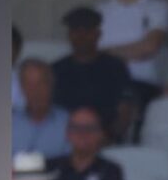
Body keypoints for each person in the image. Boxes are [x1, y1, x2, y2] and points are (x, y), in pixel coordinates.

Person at [96, 0, 168, 129]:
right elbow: (89, 51)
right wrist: (130, 51)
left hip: (141, 82)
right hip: (102, 81)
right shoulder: (99, 10)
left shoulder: (158, 7)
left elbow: (150, 47)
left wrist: (107, 53)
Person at [51, 7, 132, 139]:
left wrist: (109, 138)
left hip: (103, 139)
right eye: (76, 31)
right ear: (69, 35)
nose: (81, 37)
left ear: (98, 34)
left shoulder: (115, 67)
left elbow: (125, 111)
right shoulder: (55, 69)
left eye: (87, 31)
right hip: (62, 139)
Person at [12, 60, 70, 159]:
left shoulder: (69, 121)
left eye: (41, 83)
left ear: (51, 84)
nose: (36, 91)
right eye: (29, 84)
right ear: (21, 88)